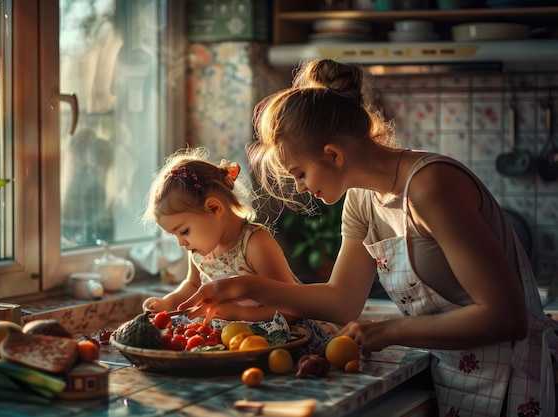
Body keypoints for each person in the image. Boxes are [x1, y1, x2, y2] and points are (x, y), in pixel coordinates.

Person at [179, 59, 558, 417]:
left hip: (516, 380)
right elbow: (341, 301)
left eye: (299, 173)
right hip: (456, 376)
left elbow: (506, 318)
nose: (301, 187)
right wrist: (245, 286)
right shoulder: (361, 200)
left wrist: (391, 329)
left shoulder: (430, 186)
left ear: (332, 154)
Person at [140, 147, 302, 323]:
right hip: (233, 341)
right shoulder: (200, 250)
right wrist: (168, 302)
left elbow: (293, 309)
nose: (181, 243)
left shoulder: (255, 244)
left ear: (214, 208)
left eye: (184, 231)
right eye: (174, 235)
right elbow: (193, 285)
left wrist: (241, 314)